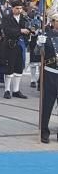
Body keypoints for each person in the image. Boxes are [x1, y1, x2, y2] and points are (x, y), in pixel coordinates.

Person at [36, 14, 58, 143]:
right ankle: (44, 130)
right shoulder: (47, 35)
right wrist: (39, 44)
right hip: (51, 73)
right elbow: (36, 53)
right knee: (47, 103)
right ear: (54, 22)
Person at [2, 0, 30, 99]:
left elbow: (28, 29)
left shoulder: (24, 18)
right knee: (9, 67)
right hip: (10, 45)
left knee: (19, 68)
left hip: (21, 45)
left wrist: (31, 30)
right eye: (17, 8)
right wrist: (20, 31)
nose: (19, 10)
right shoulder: (6, 18)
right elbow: (7, 30)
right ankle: (7, 90)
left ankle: (16, 90)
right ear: (12, 8)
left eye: (20, 8)